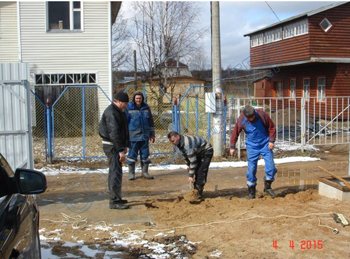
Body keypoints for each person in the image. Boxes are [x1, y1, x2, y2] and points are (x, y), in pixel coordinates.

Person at [230, 105, 277, 199]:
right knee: (251, 170)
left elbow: (272, 127)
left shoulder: (262, 115)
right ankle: (251, 191)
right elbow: (235, 132)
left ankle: (267, 187)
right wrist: (232, 146)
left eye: (253, 116)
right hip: (252, 146)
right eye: (250, 118)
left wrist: (271, 141)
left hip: (265, 144)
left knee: (271, 167)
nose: (252, 118)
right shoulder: (241, 120)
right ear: (246, 116)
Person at [99, 90, 130, 209]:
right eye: (125, 103)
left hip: (116, 145)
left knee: (117, 172)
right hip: (112, 146)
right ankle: (114, 201)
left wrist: (125, 145)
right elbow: (114, 133)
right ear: (118, 101)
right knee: (114, 172)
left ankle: (117, 198)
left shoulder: (118, 111)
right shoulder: (112, 112)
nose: (126, 105)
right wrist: (121, 150)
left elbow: (123, 130)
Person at [167, 131, 213, 203]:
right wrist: (189, 167)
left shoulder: (187, 144)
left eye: (173, 141)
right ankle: (196, 191)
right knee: (196, 170)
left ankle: (198, 194)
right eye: (171, 142)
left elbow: (193, 161)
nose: (173, 143)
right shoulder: (180, 143)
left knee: (201, 172)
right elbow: (186, 157)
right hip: (198, 152)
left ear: (177, 137)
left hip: (206, 151)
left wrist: (191, 175)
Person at [126, 92, 155, 180]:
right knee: (132, 155)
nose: (138, 100)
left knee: (145, 155)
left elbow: (150, 122)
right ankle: (131, 173)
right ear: (134, 99)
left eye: (140, 98)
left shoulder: (146, 108)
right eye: (137, 98)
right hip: (133, 136)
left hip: (144, 136)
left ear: (142, 99)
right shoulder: (129, 108)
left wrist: (152, 134)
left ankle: (145, 172)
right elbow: (125, 122)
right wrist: (125, 135)